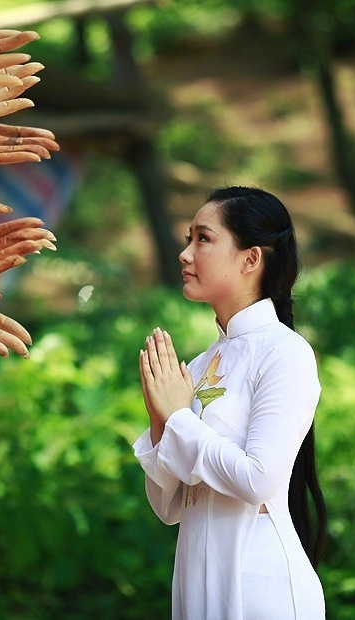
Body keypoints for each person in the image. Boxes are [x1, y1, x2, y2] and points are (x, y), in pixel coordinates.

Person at [134, 186, 327, 619]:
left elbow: (259, 479)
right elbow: (169, 508)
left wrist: (180, 418)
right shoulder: (202, 363)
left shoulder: (285, 352)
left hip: (260, 583)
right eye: (189, 238)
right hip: (196, 576)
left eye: (203, 238)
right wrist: (160, 421)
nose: (185, 253)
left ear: (250, 259)